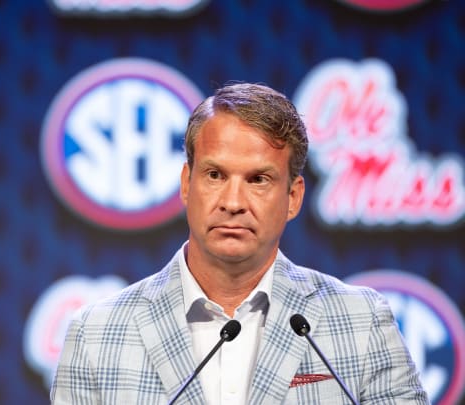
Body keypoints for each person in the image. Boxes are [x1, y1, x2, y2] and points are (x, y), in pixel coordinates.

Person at [50, 83, 428, 404]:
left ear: (293, 197)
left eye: (258, 180)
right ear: (186, 183)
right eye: (215, 175)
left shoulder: (361, 321)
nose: (232, 202)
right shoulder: (97, 333)